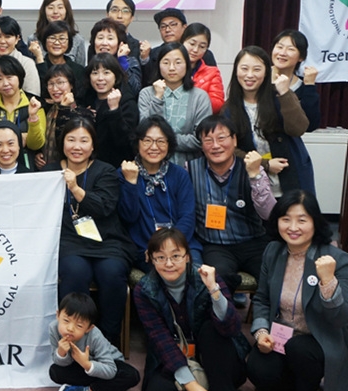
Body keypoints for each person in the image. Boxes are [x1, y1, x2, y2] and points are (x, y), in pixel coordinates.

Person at [134, 228, 252, 391]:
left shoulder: (207, 278)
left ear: (187, 256)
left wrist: (214, 290)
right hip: (174, 359)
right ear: (150, 259)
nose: (169, 263)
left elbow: (232, 328)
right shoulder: (144, 290)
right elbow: (160, 340)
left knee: (210, 329)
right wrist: (191, 386)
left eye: (176, 256)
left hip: (218, 360)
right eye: (160, 257)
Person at [247, 190, 348, 391]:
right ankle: (300, 380)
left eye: (302, 220)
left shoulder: (337, 259)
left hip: (320, 339)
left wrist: (328, 282)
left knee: (299, 349)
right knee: (258, 370)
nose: (293, 227)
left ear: (315, 222)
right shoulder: (273, 251)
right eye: (286, 219)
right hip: (282, 337)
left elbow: (340, 318)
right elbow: (261, 299)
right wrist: (261, 332)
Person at [44, 117, 135, 346]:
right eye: (71, 139)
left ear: (93, 145)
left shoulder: (105, 171)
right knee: (75, 272)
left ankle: (107, 342)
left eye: (84, 141)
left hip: (107, 241)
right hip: (70, 241)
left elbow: (104, 207)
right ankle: (73, 341)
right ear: (62, 142)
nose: (77, 146)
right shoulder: (50, 171)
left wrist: (75, 188)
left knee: (112, 273)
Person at [188, 115, 275, 292]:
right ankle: (227, 310)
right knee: (218, 277)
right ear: (201, 145)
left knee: (273, 277)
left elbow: (268, 213)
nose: (216, 145)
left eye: (221, 138)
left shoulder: (252, 168)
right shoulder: (190, 169)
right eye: (208, 140)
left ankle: (262, 311)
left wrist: (255, 176)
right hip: (214, 244)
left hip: (253, 241)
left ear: (234, 140)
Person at [222, 46, 314, 196]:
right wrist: (264, 164)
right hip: (253, 183)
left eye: (257, 69)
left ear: (266, 72)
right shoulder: (229, 108)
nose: (250, 75)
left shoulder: (280, 96)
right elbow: (229, 149)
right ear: (236, 71)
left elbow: (298, 129)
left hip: (290, 178)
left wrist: (285, 93)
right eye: (244, 69)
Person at [118, 116, 202, 272]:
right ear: (137, 142)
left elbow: (187, 217)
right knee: (165, 276)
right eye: (147, 141)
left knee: (195, 275)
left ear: (169, 145)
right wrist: (130, 183)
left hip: (182, 245)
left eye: (161, 141)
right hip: (145, 247)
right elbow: (128, 217)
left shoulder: (179, 174)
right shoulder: (125, 173)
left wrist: (169, 246)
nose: (154, 147)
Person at [49, 292, 140, 391]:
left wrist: (86, 364)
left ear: (89, 328)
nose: (70, 328)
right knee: (55, 371)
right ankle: (109, 390)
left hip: (109, 364)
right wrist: (61, 353)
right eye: (66, 321)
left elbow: (111, 370)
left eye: (79, 325)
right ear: (58, 315)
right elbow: (58, 361)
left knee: (132, 375)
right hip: (84, 368)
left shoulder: (94, 335)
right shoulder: (53, 328)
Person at [138, 42, 211, 166]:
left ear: (187, 65)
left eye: (178, 62)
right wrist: (157, 98)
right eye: (166, 63)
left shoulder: (200, 97)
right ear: (158, 65)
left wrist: (164, 140)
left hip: (189, 166)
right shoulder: (146, 94)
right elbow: (145, 134)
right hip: (153, 165)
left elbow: (201, 139)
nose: (172, 68)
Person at [0, 55, 45, 157]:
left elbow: (36, 144)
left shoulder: (34, 104)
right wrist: (20, 138)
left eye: (9, 77)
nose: (5, 83)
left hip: (26, 163)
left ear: (19, 77)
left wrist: (33, 117)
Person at [78, 53, 138, 168]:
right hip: (87, 165)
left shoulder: (127, 101)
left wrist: (114, 110)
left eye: (106, 73)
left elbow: (125, 142)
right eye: (95, 73)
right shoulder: (85, 98)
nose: (100, 78)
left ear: (116, 76)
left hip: (115, 167)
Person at [142, 8, 217, 87]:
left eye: (173, 24)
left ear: (184, 27)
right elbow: (146, 83)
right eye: (163, 26)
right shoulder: (153, 54)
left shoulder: (202, 54)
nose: (167, 30)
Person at [36, 63, 87, 169]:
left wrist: (65, 108)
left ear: (71, 85)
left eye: (60, 83)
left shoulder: (79, 112)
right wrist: (39, 154)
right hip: (47, 168)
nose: (55, 89)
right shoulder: (49, 110)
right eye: (51, 84)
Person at [271, 29, 320, 131]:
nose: (282, 53)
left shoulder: (301, 88)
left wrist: (310, 85)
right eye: (279, 47)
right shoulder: (258, 77)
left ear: (301, 57)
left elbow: (310, 125)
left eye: (290, 49)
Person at [0, 16, 40, 99]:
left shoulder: (26, 63)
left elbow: (33, 96)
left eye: (8, 36)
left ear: (17, 39)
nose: (2, 41)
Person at [29, 0, 87, 65]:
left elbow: (80, 68)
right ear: (44, 11)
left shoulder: (78, 40)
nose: (55, 11)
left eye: (60, 7)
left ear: (66, 10)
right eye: (50, 8)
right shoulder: (33, 39)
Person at [87, 18, 142, 96]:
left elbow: (135, 91)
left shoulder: (130, 62)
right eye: (100, 38)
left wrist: (122, 61)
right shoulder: (91, 64)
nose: (104, 43)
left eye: (110, 38)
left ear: (120, 43)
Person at [181, 23, 224, 113]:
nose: (195, 50)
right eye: (192, 44)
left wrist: (194, 101)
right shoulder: (171, 68)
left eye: (202, 47)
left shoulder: (212, 72)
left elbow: (218, 104)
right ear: (183, 41)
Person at [30, 20, 86, 90]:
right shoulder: (34, 67)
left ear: (69, 43)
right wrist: (39, 58)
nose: (56, 43)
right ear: (45, 41)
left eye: (62, 39)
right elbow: (42, 91)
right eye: (52, 38)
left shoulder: (78, 70)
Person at [105, 0, 144, 71]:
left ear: (132, 18)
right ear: (107, 15)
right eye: (115, 10)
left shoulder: (138, 47)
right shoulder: (98, 45)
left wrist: (145, 59)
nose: (119, 16)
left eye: (125, 11)